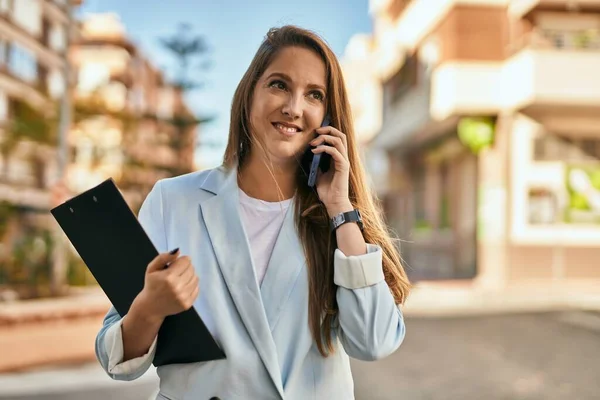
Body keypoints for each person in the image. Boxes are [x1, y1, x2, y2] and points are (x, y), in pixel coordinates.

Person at [95, 25, 411, 400]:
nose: (294, 107)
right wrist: (149, 308)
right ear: (248, 96)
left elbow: (373, 341)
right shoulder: (173, 200)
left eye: (314, 94)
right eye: (278, 84)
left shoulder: (338, 219)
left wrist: (342, 209)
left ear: (328, 117)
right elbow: (115, 356)